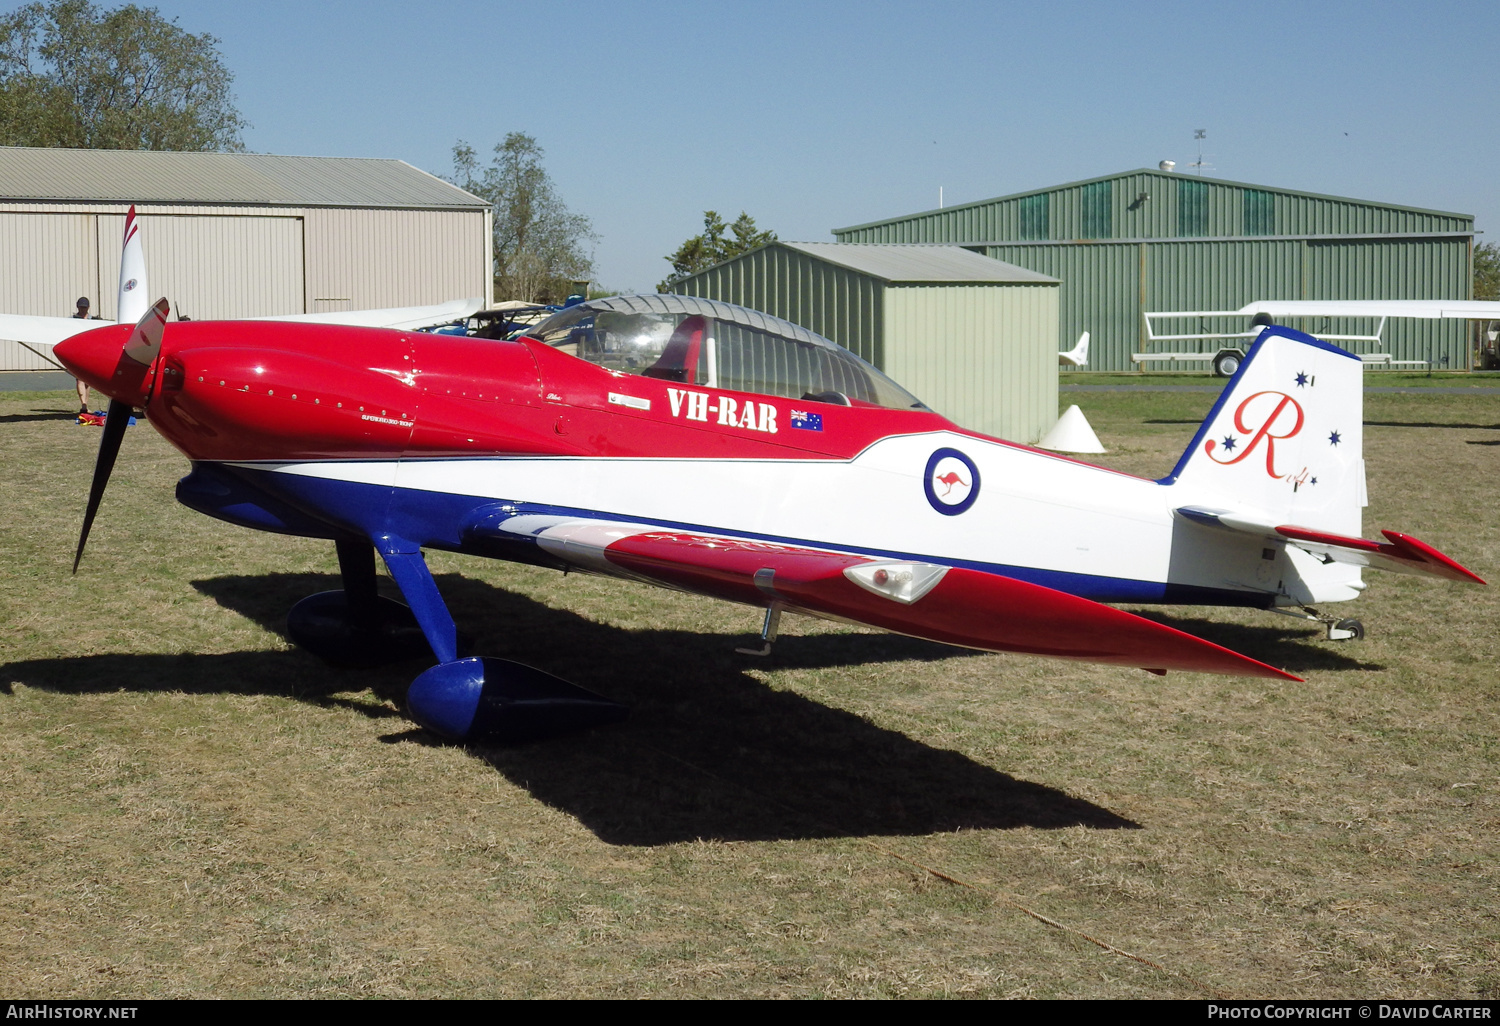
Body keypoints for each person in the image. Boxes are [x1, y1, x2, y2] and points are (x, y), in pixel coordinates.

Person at [71, 297, 93, 413]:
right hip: (77, 353)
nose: (83, 309)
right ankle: (83, 405)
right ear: (77, 307)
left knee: (88, 381)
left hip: (90, 353)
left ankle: (86, 403)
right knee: (80, 379)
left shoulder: (93, 320)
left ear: (88, 308)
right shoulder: (71, 320)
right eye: (81, 307)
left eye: (84, 307)